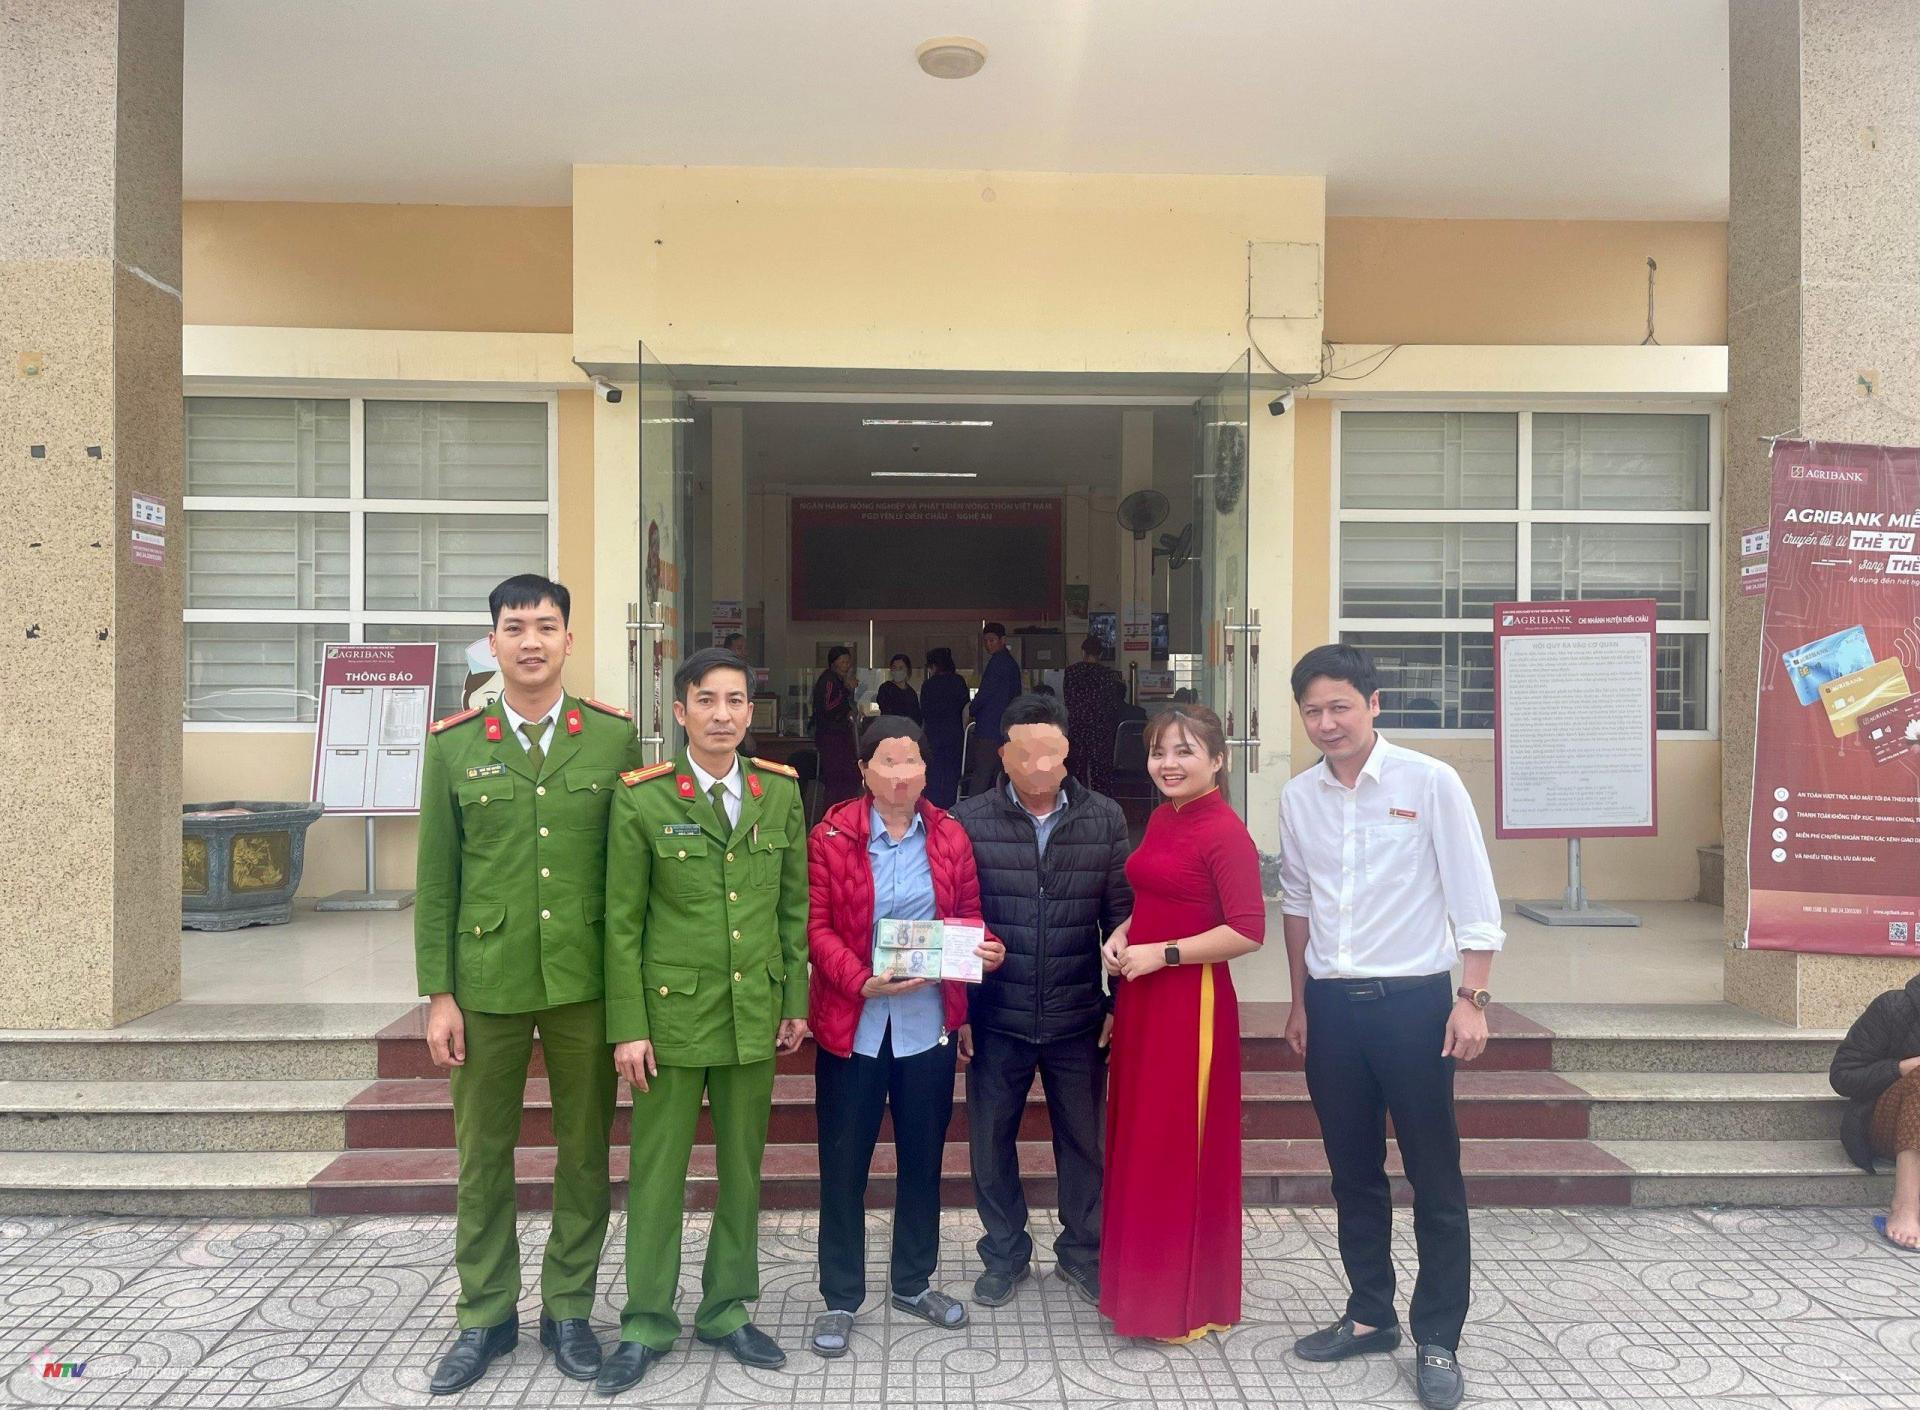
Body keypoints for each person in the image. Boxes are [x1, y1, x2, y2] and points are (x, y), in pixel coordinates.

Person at [414, 574, 643, 1395]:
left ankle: (568, 1309)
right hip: (487, 981)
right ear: (494, 643)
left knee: (584, 1152)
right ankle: (485, 1313)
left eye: (546, 625)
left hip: (585, 978)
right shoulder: (453, 745)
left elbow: (630, 877)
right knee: (483, 1154)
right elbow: (437, 877)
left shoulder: (613, 739)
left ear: (568, 640)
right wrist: (439, 994)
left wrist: (632, 1000)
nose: (531, 641)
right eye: (515, 627)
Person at [1278, 644, 1503, 1410]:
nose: (1326, 722)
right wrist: (1300, 1002)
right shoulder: (1299, 796)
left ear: (1373, 704)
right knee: (1353, 1174)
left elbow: (1473, 893)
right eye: (1312, 710)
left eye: (1339, 706)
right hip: (1332, 1010)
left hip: (1415, 1008)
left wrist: (1472, 997)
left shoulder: (1428, 782)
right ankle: (1371, 1312)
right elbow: (1297, 903)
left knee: (1434, 1175)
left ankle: (1439, 1335)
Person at [600, 647, 811, 1392]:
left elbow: (792, 906)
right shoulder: (645, 798)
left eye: (736, 701)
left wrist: (794, 1001)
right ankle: (646, 1321)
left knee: (742, 1172)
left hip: (753, 1012)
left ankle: (726, 1309)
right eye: (707, 701)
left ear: (751, 712)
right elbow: (621, 922)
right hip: (671, 1019)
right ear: (681, 711)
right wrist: (628, 1025)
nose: (722, 715)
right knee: (657, 1175)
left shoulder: (778, 792)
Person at [804, 717, 1006, 1358]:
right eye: (886, 762)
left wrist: (983, 950)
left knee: (923, 1161)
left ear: (926, 768)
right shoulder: (831, 836)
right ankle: (841, 1296)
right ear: (863, 769)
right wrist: (858, 981)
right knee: (844, 1167)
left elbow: (966, 917)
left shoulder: (949, 835)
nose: (899, 774)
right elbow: (815, 926)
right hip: (853, 1028)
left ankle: (913, 1283)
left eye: (911, 761)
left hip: (926, 1029)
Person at [954, 693, 1132, 1309]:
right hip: (995, 1017)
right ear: (1002, 755)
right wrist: (960, 1011)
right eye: (1023, 753)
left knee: (1084, 1143)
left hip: (1077, 1013)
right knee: (990, 1144)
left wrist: (1117, 1003)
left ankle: (1083, 1252)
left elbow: (1122, 917)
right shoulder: (967, 820)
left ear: (1067, 753)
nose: (1038, 766)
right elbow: (956, 918)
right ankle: (1005, 1253)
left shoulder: (1103, 817)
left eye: (1050, 753)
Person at [1097, 703, 1264, 1343]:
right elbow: (1159, 896)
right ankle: (1138, 1291)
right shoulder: (1166, 817)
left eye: (1184, 751)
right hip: (1142, 996)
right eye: (1158, 751)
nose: (1168, 764)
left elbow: (1247, 930)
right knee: (1143, 1139)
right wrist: (1123, 932)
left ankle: (1181, 1303)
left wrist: (1162, 954)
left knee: (1176, 1147)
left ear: (1218, 760)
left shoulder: (1224, 830)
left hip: (1190, 1003)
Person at [1830, 972, 1920, 1249]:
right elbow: (1843, 1076)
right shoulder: (1894, 1007)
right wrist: (1902, 1068)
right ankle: (1905, 1207)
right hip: (1885, 1122)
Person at [1062, 635, 1126, 796]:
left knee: (1076, 770)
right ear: (1101, 654)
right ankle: (1101, 803)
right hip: (1100, 728)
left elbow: (1068, 699)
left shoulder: (1071, 672)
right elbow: (1112, 704)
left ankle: (1075, 801)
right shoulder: (1107, 675)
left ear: (1083, 652)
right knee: (1100, 773)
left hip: (1077, 726)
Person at [966, 623, 1021, 797]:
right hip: (1005, 729)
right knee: (1000, 778)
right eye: (986, 641)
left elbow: (985, 694)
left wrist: (972, 709)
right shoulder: (1011, 664)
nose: (988, 644)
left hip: (989, 728)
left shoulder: (996, 663)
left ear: (1002, 640)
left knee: (982, 775)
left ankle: (972, 811)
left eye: (992, 640)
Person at [919, 647, 971, 809]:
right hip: (954, 735)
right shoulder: (958, 682)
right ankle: (950, 810)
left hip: (933, 736)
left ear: (934, 666)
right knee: (952, 776)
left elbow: (924, 712)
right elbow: (966, 709)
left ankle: (932, 810)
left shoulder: (928, 685)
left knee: (934, 775)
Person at [811, 646, 862, 805]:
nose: (846, 666)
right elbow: (828, 707)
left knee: (848, 779)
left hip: (841, 737)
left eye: (848, 662)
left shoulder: (839, 680)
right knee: (837, 782)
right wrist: (846, 690)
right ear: (833, 663)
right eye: (842, 662)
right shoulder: (829, 680)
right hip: (831, 738)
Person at [876, 652, 923, 724]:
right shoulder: (886, 688)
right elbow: (887, 711)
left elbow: (916, 715)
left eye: (901, 668)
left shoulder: (911, 693)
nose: (897, 671)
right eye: (894, 667)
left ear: (907, 670)